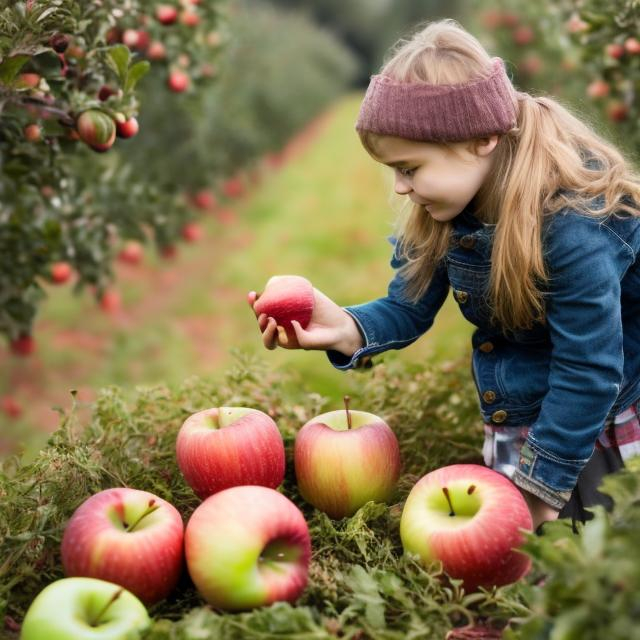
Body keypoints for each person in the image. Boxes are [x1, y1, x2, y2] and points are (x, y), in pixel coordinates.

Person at [248, 19, 640, 531]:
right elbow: (407, 306)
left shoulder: (572, 229)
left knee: (591, 569)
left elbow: (588, 368)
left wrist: (541, 487)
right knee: (512, 572)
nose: (401, 188)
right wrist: (345, 326)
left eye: (409, 168)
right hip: (525, 413)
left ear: (481, 139)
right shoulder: (447, 211)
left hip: (593, 423)